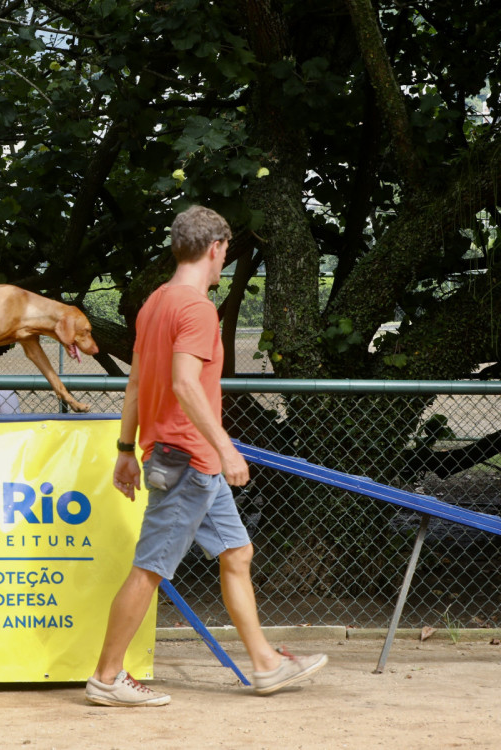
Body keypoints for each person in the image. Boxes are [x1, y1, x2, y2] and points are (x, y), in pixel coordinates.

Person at [86, 205, 326, 707]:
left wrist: (126, 449)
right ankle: (106, 679)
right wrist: (225, 447)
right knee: (150, 568)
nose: (224, 266)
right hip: (189, 460)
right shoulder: (196, 308)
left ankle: (264, 665)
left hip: (182, 458)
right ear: (216, 249)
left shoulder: (155, 303)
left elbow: (135, 381)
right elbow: (183, 384)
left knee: (237, 553)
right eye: (226, 255)